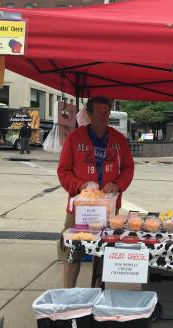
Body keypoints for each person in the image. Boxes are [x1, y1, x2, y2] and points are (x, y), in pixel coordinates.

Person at [57, 96, 134, 288]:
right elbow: (63, 170)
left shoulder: (118, 140)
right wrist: (79, 186)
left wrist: (117, 184)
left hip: (107, 209)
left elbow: (128, 168)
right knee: (72, 252)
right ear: (89, 114)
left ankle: (98, 290)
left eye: (106, 112)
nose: (102, 116)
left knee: (103, 251)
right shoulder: (75, 138)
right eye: (98, 112)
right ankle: (68, 293)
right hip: (80, 208)